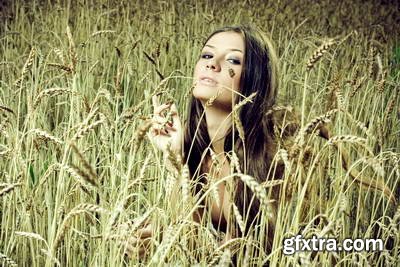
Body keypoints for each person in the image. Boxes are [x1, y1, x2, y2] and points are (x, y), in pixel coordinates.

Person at [130, 25, 286, 264]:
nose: (212, 64)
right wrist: (174, 159)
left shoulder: (275, 156)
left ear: (255, 79)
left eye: (233, 60)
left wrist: (167, 239)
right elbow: (187, 235)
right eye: (207, 55)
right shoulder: (192, 149)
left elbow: (242, 255)